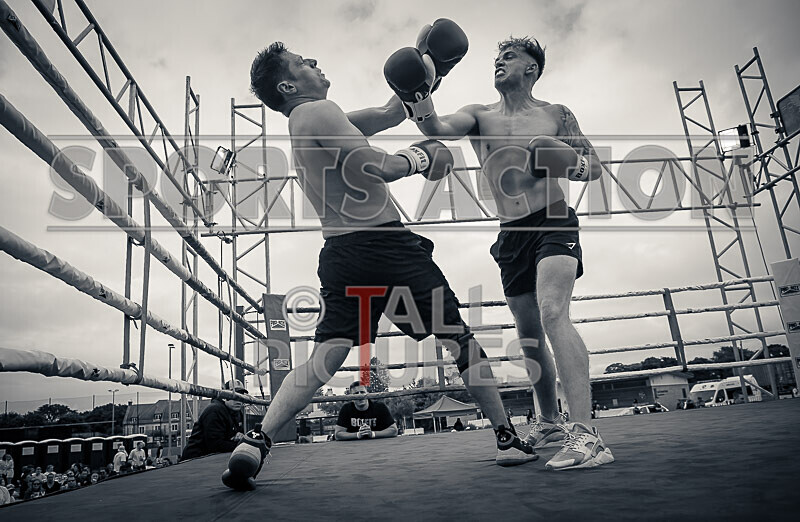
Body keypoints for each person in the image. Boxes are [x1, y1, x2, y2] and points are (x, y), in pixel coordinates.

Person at [221, 38, 537, 491]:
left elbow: (392, 112)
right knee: (458, 338)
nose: (314, 60)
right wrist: (422, 156)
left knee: (326, 355)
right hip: (388, 247)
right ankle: (506, 438)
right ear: (288, 86)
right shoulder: (321, 111)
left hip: (341, 255)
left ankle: (257, 441)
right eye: (302, 61)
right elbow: (378, 167)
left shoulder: (309, 122)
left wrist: (428, 68)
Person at [405, 31, 613, 471]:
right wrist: (418, 93)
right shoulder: (478, 114)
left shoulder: (557, 114)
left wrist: (569, 162)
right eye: (497, 57)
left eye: (509, 56)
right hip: (510, 232)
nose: (499, 62)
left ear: (531, 68)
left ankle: (587, 434)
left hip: (553, 219)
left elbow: (594, 168)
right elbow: (435, 127)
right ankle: (549, 422)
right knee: (530, 334)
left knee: (553, 312)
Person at [181, 379, 246, 460]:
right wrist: (241, 444)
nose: (238, 400)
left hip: (212, 458)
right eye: (234, 395)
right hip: (194, 459)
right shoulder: (214, 411)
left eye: (241, 396)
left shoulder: (237, 413)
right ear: (224, 396)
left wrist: (239, 438)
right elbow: (215, 445)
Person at [334, 382, 398, 441]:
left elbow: (394, 430)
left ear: (367, 394)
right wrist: (358, 435)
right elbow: (338, 434)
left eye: (362, 392)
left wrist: (372, 434)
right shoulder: (346, 408)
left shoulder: (380, 407)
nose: (360, 396)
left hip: (378, 445)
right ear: (351, 397)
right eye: (356, 393)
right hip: (354, 446)